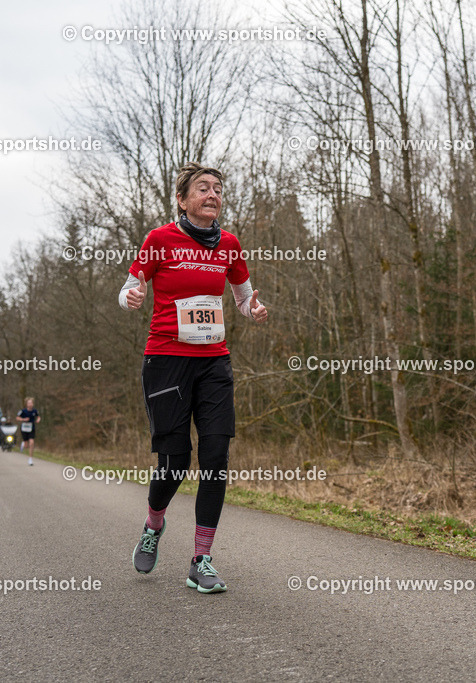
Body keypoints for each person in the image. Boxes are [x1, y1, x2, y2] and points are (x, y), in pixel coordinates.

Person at [120, 162, 268, 593]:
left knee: (217, 457)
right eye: (202, 188)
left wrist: (253, 310)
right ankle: (153, 524)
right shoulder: (159, 239)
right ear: (182, 200)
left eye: (218, 189)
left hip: (213, 363)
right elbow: (128, 286)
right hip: (166, 361)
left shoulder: (229, 244)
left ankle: (201, 560)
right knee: (175, 461)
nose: (213, 194)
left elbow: (242, 298)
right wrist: (132, 295)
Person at [17, 397, 40, 466]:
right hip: (24, 429)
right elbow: (17, 417)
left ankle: (30, 459)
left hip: (31, 428)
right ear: (26, 404)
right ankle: (23, 443)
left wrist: (38, 419)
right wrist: (23, 419)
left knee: (32, 442)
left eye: (31, 403)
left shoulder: (35, 411)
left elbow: (38, 416)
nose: (30, 404)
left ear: (33, 404)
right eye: (28, 403)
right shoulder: (23, 411)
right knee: (26, 446)